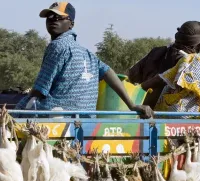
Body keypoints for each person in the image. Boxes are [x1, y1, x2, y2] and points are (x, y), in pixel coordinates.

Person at [15, 2, 153, 119]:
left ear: (71, 24)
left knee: (16, 113)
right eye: (49, 17)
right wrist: (131, 105)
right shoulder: (87, 53)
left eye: (59, 17)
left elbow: (39, 90)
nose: (53, 20)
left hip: (58, 115)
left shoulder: (57, 46)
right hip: (86, 119)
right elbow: (108, 72)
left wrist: (17, 110)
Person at [128, 21, 200, 109]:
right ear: (198, 45)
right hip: (164, 118)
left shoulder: (156, 51)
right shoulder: (190, 64)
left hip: (139, 109)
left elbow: (132, 75)